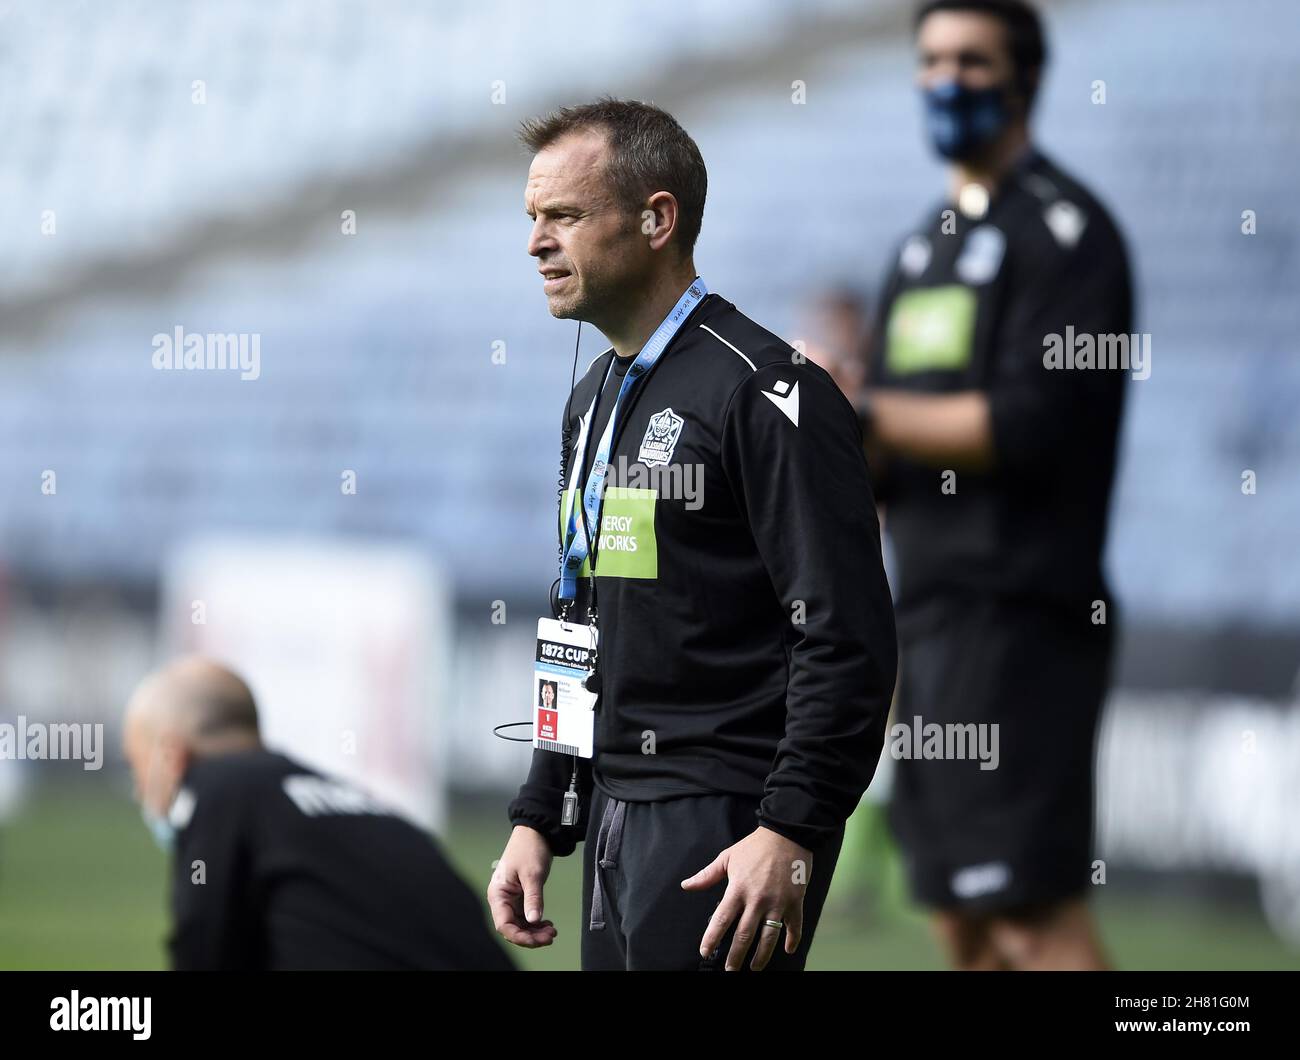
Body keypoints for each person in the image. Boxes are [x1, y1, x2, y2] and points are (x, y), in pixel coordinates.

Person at [488, 98, 897, 971]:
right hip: (611, 815)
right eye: (532, 218)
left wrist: (789, 826)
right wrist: (542, 810)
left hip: (727, 820)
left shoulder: (771, 392)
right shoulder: (595, 394)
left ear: (657, 219)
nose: (535, 242)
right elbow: (578, 616)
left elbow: (845, 633)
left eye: (563, 215)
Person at [861, 0, 1132, 970]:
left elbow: (1024, 423)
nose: (947, 79)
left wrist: (860, 412)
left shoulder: (1067, 234)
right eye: (931, 59)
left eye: (971, 61)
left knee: (1030, 917)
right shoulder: (915, 249)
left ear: (1024, 79)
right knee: (960, 923)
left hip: (1021, 620)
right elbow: (881, 447)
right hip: (926, 620)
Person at [123, 656, 514, 971]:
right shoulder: (358, 807)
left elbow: (203, 948)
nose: (140, 790)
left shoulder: (215, 789)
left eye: (136, 767)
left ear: (172, 757)